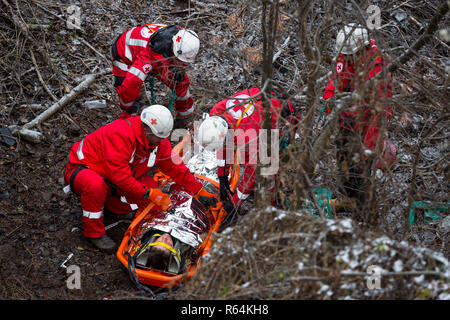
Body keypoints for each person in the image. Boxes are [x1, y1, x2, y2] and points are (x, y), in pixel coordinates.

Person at [64, 105, 217, 253]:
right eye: (158, 138)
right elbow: (120, 176)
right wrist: (149, 194)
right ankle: (94, 233)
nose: (161, 141)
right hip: (84, 169)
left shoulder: (157, 141)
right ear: (146, 129)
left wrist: (198, 189)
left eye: (163, 138)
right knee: (95, 185)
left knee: (151, 190)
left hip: (113, 177)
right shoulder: (121, 135)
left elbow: (175, 167)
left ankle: (112, 205)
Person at [321, 23, 396, 213]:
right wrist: (329, 100)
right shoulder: (346, 54)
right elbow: (336, 80)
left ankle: (361, 208)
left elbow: (380, 112)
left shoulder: (378, 67)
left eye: (350, 55)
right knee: (343, 157)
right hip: (347, 117)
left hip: (366, 122)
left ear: (362, 49)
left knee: (359, 168)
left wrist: (369, 147)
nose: (346, 58)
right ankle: (346, 198)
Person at [196, 88, 298, 227]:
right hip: (264, 105)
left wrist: (236, 200)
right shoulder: (216, 113)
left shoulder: (250, 137)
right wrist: (222, 175)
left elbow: (253, 170)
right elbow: (225, 146)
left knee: (269, 169)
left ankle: (269, 210)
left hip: (284, 117)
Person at [110, 23, 199, 127]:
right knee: (129, 92)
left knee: (181, 82)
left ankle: (185, 119)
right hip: (125, 53)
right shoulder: (148, 56)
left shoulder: (184, 39)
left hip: (161, 57)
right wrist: (129, 107)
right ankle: (130, 121)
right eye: (180, 61)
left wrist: (178, 67)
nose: (181, 65)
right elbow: (132, 83)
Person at [132, 186, 212, 275]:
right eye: (168, 244)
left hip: (175, 192)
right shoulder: (190, 241)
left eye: (159, 241)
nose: (165, 237)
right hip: (198, 200)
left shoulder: (149, 230)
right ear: (175, 249)